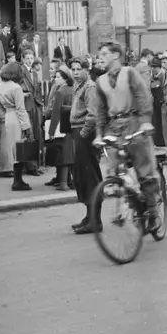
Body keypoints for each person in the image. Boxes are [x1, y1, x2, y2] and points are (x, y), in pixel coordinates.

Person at [91, 42, 161, 229]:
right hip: (114, 127)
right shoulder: (101, 81)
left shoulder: (129, 73)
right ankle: (127, 203)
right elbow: (100, 110)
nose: (100, 57)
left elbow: (143, 96)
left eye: (104, 53)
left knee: (144, 170)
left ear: (115, 55)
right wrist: (99, 134)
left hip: (134, 123)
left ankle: (153, 213)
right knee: (114, 169)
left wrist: (145, 120)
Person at [69, 57, 103, 234]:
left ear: (86, 70)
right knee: (82, 175)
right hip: (79, 133)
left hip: (86, 134)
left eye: (78, 69)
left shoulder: (89, 87)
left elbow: (93, 113)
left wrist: (83, 133)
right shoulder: (79, 86)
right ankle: (89, 216)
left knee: (89, 175)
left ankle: (95, 220)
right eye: (72, 69)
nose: (75, 72)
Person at [0, 62, 34, 191]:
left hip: (7, 116)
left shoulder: (0, 85)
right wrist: (27, 127)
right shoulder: (16, 87)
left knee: (13, 149)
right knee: (20, 148)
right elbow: (20, 110)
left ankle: (17, 180)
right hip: (16, 119)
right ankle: (18, 181)